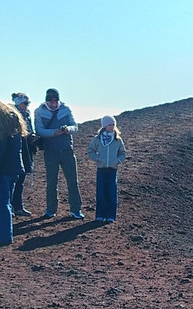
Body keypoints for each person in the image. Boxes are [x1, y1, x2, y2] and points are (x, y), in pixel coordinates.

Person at [33, 88, 83, 219]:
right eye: (51, 102)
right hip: (51, 151)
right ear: (47, 101)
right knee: (51, 181)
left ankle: (75, 209)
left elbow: (75, 127)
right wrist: (53, 133)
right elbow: (39, 130)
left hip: (67, 149)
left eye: (56, 102)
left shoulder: (66, 109)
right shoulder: (39, 112)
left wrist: (68, 129)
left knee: (73, 181)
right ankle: (51, 210)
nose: (54, 105)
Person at [0, 97, 28, 245]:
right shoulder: (15, 123)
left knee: (1, 204)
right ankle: (5, 235)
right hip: (15, 169)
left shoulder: (1, 128)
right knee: (7, 203)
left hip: (3, 171)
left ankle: (4, 237)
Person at [86, 115, 127, 223]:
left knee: (112, 192)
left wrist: (118, 161)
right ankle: (100, 215)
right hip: (101, 169)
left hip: (113, 169)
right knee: (101, 192)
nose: (112, 126)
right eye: (109, 124)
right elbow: (90, 150)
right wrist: (97, 158)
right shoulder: (97, 139)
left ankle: (111, 216)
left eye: (113, 124)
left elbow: (123, 152)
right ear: (104, 126)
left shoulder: (117, 139)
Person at [10, 92, 37, 217]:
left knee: (20, 179)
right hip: (17, 150)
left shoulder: (27, 115)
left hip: (26, 150)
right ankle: (11, 206)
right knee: (14, 179)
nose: (27, 105)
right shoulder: (12, 116)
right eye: (25, 103)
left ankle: (17, 206)